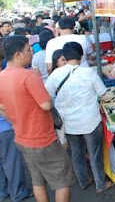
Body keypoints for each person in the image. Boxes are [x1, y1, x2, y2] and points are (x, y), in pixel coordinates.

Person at [0, 36, 76, 202]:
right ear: (18, 55)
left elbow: (2, 107)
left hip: (21, 137)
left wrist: (15, 122)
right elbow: (46, 105)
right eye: (29, 50)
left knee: (37, 179)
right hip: (42, 138)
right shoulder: (29, 76)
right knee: (62, 180)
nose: (32, 53)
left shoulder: (2, 77)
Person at [45, 42, 113, 194]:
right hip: (90, 121)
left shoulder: (56, 74)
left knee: (76, 151)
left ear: (65, 56)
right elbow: (103, 93)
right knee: (94, 152)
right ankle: (100, 184)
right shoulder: (88, 72)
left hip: (68, 122)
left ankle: (83, 180)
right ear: (81, 56)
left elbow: (46, 95)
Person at [0, 37, 32, 202]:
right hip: (4, 127)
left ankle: (2, 191)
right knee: (11, 161)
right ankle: (18, 192)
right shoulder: (5, 75)